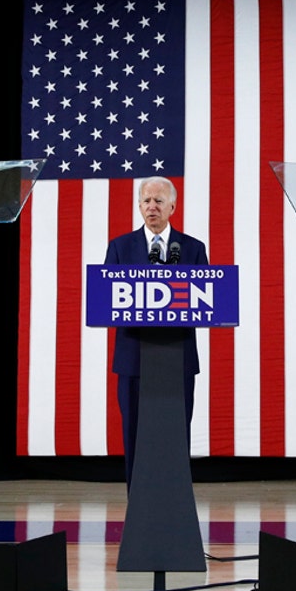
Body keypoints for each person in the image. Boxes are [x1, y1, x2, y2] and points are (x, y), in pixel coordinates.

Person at [104, 176, 209, 488]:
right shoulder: (120, 247)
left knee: (175, 433)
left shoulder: (192, 249)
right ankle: (137, 500)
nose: (152, 207)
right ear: (139, 206)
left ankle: (175, 497)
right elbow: (107, 299)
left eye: (159, 201)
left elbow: (208, 301)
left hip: (178, 359)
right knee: (134, 432)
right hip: (134, 357)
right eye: (147, 201)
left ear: (172, 206)